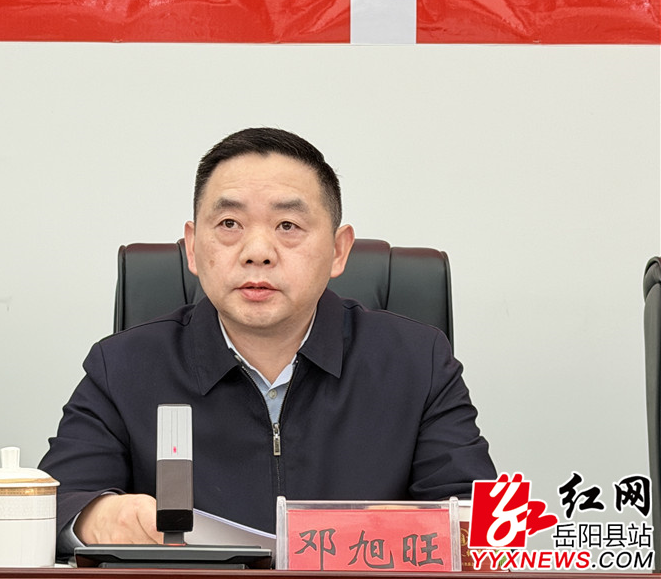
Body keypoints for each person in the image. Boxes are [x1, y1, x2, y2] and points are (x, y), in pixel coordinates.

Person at [39, 127, 496, 556]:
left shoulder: (417, 362)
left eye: (288, 226)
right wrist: (95, 518)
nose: (257, 252)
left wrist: (410, 531)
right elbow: (55, 505)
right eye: (229, 223)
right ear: (193, 247)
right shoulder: (122, 367)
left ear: (338, 250)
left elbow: (479, 524)